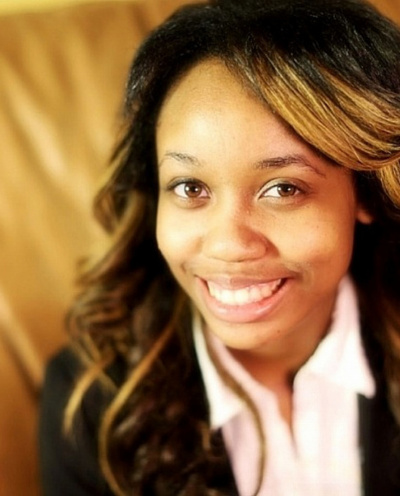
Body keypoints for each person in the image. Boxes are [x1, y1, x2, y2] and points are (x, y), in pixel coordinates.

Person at [39, 0, 400, 494]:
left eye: (283, 189)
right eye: (190, 187)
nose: (229, 244)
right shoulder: (89, 401)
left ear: (367, 194)